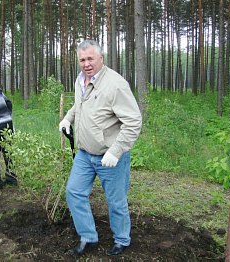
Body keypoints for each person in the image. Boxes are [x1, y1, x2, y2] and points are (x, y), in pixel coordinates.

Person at [59, 40, 142, 256]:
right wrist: (68, 118)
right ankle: (88, 236)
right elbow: (79, 105)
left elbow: (133, 122)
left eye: (90, 59)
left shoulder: (115, 84)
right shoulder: (80, 81)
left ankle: (122, 240)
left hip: (110, 157)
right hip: (85, 155)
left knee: (116, 201)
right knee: (74, 192)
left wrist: (116, 151)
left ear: (101, 59)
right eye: (82, 60)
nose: (86, 64)